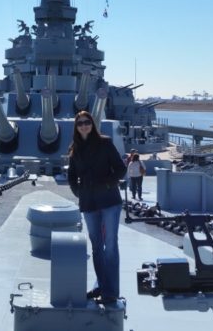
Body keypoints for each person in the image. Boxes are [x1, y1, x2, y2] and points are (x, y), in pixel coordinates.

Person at [67, 111, 127, 304]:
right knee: (96, 248)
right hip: (89, 203)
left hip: (109, 201)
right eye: (80, 123)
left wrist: (107, 183)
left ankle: (111, 292)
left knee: (110, 246)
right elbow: (71, 176)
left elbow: (120, 168)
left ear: (92, 124)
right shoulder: (74, 150)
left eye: (87, 122)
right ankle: (102, 285)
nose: (84, 125)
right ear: (76, 127)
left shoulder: (105, 143)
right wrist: (79, 192)